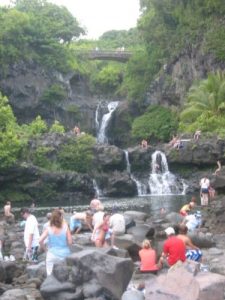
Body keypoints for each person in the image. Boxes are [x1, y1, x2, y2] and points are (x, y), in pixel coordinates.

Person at [39, 209, 72, 276]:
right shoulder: (65, 226)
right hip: (64, 253)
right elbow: (70, 242)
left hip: (52, 253)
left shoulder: (48, 228)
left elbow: (40, 241)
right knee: (66, 274)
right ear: (61, 217)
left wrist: (45, 249)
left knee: (50, 275)